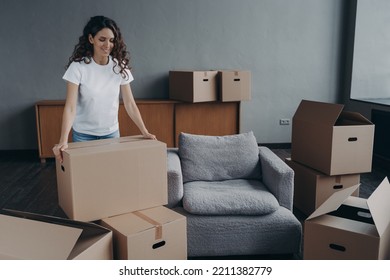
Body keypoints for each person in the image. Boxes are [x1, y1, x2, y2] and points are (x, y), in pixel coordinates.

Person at [53, 15, 156, 162]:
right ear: (91, 39)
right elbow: (70, 107)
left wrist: (144, 131)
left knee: (110, 178)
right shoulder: (78, 68)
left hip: (111, 134)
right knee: (88, 178)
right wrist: (63, 140)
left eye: (111, 40)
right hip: (83, 135)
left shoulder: (120, 67)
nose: (108, 45)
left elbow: (130, 104)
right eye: (102, 39)